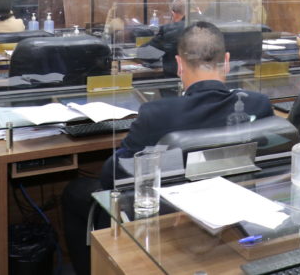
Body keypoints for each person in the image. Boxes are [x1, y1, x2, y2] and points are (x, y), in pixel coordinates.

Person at [62, 21, 273, 275]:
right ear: (226, 61)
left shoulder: (156, 113)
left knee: (75, 193)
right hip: (235, 210)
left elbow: (112, 176)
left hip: (169, 217)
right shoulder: (258, 105)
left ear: (179, 64)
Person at [136, 0, 186, 77]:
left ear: (173, 14)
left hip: (175, 82)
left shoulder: (170, 30)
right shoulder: (209, 25)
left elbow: (144, 54)